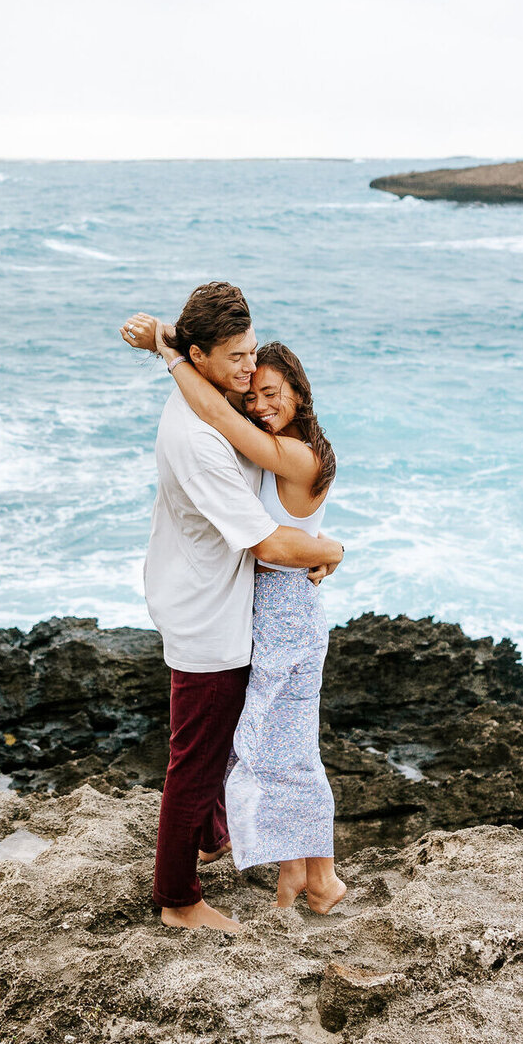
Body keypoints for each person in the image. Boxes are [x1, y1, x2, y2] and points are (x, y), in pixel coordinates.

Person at [120, 283, 344, 933]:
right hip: (208, 613)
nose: (251, 374)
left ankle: (217, 833)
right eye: (239, 360)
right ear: (202, 356)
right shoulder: (201, 438)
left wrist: (163, 341)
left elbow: (210, 384)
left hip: (231, 603)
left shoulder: (217, 394)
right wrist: (329, 546)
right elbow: (271, 540)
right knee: (195, 759)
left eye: (255, 356)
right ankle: (178, 898)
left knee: (224, 744)